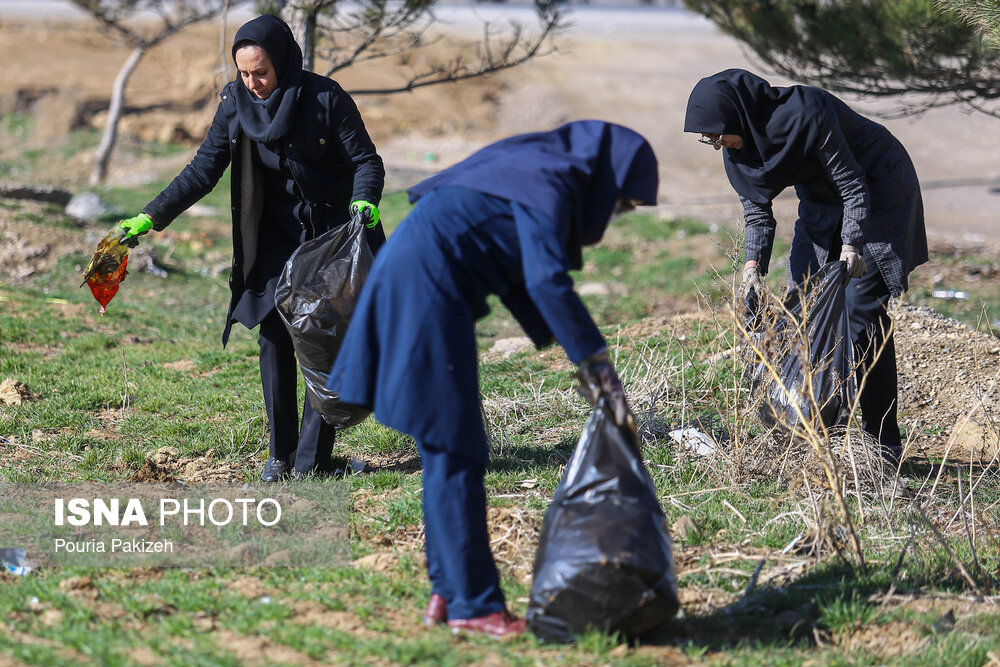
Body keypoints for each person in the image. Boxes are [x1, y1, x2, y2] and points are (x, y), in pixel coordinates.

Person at [326, 120, 658, 637]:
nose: (616, 214)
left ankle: (447, 591)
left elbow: (522, 270)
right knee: (459, 454)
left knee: (446, 452)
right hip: (429, 293)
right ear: (608, 177)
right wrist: (595, 366)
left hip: (419, 284)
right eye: (623, 203)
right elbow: (547, 279)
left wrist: (566, 350)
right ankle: (475, 606)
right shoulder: (549, 182)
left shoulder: (532, 171)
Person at [117, 15, 386, 482]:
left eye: (260, 71)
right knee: (274, 339)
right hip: (273, 239)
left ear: (281, 60)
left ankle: (312, 462)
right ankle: (279, 457)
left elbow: (366, 161)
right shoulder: (234, 103)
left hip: (329, 240)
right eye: (243, 72)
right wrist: (151, 216)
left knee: (321, 345)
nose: (252, 82)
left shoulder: (326, 98)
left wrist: (364, 198)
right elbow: (203, 170)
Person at [684, 69, 928, 465]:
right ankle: (817, 432)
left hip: (879, 190)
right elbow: (757, 214)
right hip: (821, 201)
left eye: (717, 134)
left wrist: (851, 245)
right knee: (804, 304)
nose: (715, 145)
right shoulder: (738, 153)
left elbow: (853, 184)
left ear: (741, 114)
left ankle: (880, 444)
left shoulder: (807, 112)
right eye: (707, 138)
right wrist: (751, 268)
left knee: (858, 313)